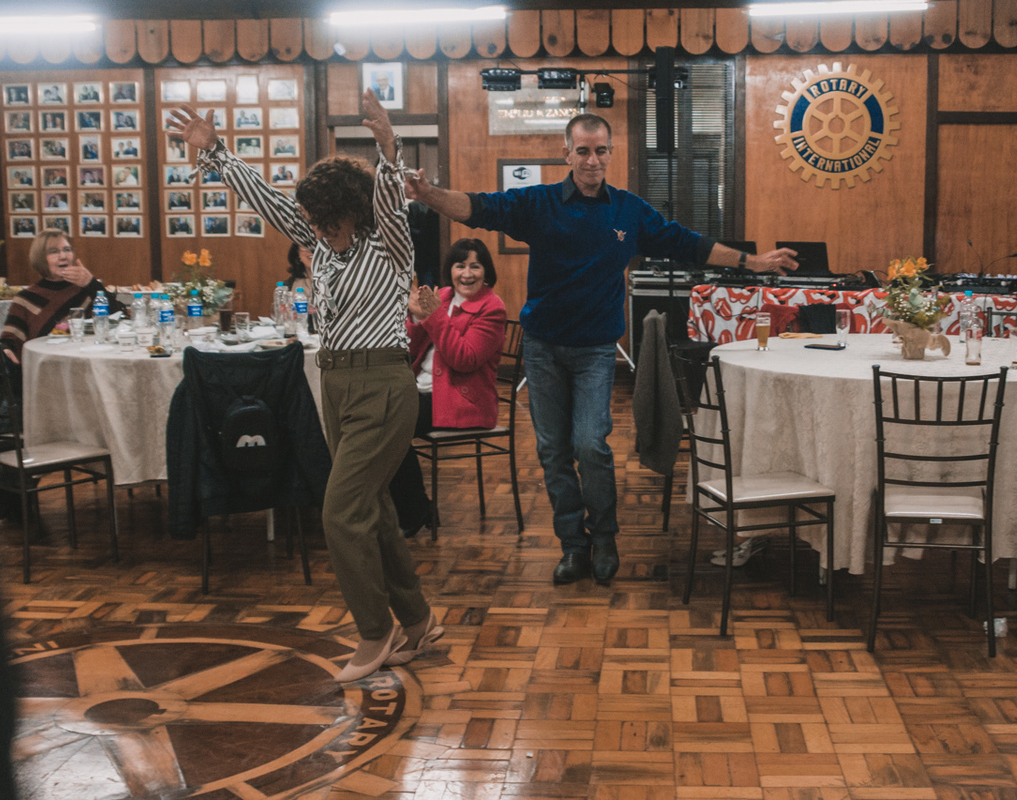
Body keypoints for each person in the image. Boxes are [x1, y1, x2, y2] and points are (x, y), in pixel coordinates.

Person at [405, 112, 799, 586]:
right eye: (583, 151)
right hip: (544, 349)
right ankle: (574, 545)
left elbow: (687, 243)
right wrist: (428, 194)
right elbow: (478, 208)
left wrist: (752, 261)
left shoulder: (629, 211)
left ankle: (605, 538)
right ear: (567, 154)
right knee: (553, 452)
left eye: (600, 150)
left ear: (610, 153)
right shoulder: (539, 204)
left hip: (594, 351)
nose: (592, 160)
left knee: (590, 445)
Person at [167, 88, 442, 683]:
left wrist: (388, 146)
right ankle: (418, 620)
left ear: (352, 212)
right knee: (372, 508)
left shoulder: (387, 242)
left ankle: (375, 631)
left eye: (326, 219)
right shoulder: (319, 240)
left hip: (383, 384)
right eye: (312, 219)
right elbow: (268, 201)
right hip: (337, 384)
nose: (316, 228)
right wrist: (218, 151)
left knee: (340, 513)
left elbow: (389, 200)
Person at [388, 238, 507, 535]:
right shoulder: (441, 296)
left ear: (486, 271)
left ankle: (413, 511)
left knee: (389, 429)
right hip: (422, 390)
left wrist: (432, 315)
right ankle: (410, 508)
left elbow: (464, 359)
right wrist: (415, 318)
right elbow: (411, 348)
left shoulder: (492, 308)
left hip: (462, 401)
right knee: (375, 419)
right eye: (460, 266)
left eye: (475, 266)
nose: (467, 274)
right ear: (449, 270)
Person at [0, 229, 122, 364]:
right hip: (44, 367)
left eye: (67, 250)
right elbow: (9, 340)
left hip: (87, 364)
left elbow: (117, 319)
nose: (63, 256)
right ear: (40, 257)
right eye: (54, 251)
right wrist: (5, 349)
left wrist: (92, 284)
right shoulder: (26, 298)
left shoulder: (86, 291)